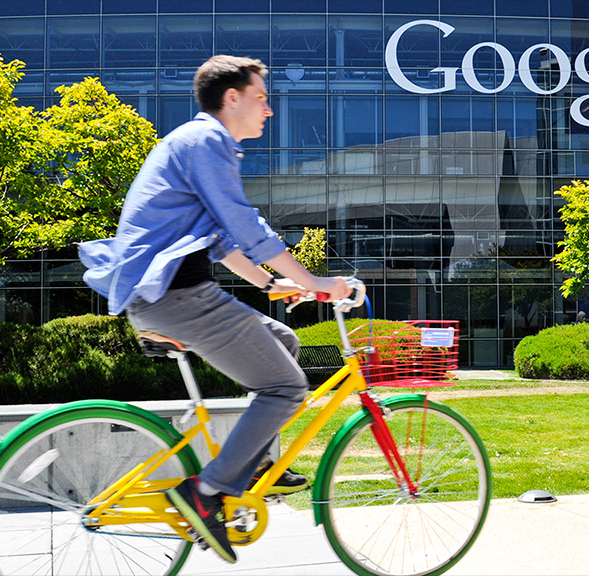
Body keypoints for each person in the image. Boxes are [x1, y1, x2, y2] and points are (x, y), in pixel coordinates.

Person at [78, 55, 350, 564]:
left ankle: (251, 466)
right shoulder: (206, 141)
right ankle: (206, 493)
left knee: (284, 342)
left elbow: (224, 242)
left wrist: (272, 283)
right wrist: (314, 281)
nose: (269, 110)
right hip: (177, 297)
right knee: (287, 387)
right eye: (262, 98)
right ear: (232, 98)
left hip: (174, 295)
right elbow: (244, 225)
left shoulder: (199, 144)